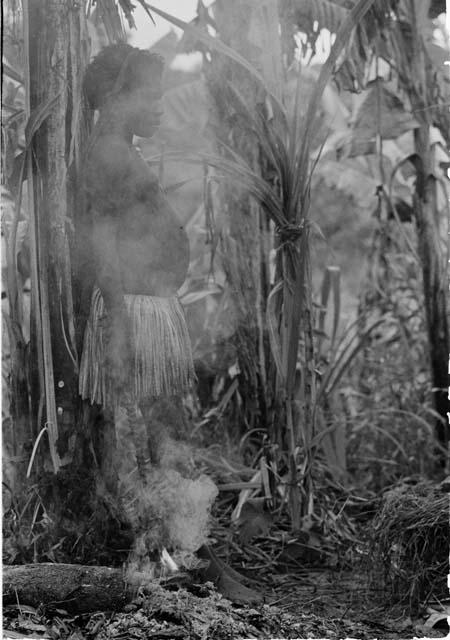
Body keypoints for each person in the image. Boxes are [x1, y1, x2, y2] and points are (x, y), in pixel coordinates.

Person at [79, 43, 195, 482]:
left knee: (144, 427)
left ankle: (154, 520)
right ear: (116, 99)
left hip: (143, 307)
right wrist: (118, 322)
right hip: (131, 310)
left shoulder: (121, 150)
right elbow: (102, 238)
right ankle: (141, 526)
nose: (160, 109)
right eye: (150, 97)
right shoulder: (109, 152)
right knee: (131, 428)